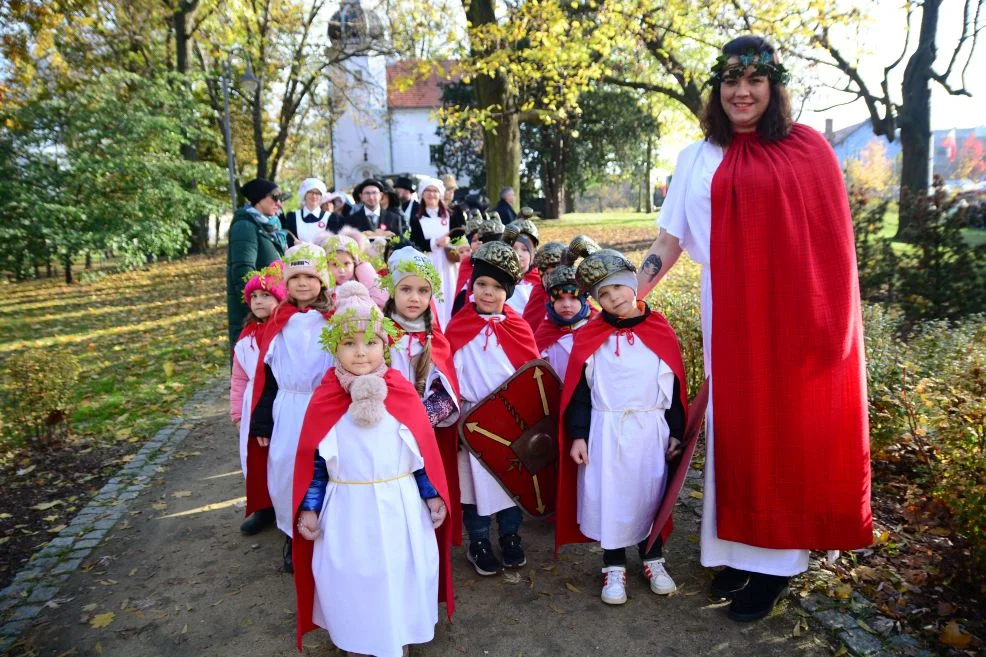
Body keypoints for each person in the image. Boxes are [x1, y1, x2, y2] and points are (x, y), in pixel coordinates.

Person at [635, 34, 872, 621]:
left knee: (783, 439)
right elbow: (670, 241)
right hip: (729, 316)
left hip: (791, 323)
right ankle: (740, 554)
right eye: (731, 81)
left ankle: (778, 570)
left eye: (755, 81)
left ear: (773, 87)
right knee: (735, 436)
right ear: (718, 89)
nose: (742, 92)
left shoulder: (808, 150)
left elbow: (830, 253)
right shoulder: (695, 158)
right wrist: (626, 294)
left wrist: (827, 333)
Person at [291, 281, 453, 657]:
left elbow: (420, 455)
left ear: (384, 345)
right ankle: (357, 638)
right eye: (349, 343)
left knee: (399, 571)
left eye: (370, 342)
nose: (361, 353)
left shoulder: (400, 391)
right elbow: (316, 465)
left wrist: (432, 496)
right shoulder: (326, 397)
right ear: (334, 347)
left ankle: (397, 633)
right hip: (348, 507)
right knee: (351, 577)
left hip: (400, 505)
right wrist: (310, 508)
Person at [554, 248, 687, 605]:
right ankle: (613, 565)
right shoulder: (590, 336)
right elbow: (579, 393)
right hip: (605, 431)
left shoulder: (660, 330)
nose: (613, 299)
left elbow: (674, 388)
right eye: (603, 295)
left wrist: (676, 432)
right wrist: (578, 436)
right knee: (611, 498)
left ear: (632, 284)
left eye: (617, 289)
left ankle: (653, 557)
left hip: (649, 430)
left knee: (649, 493)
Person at [444, 241, 540, 576]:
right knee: (473, 487)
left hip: (510, 422)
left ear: (509, 292)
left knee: (511, 484)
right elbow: (446, 376)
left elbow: (533, 377)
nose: (488, 292)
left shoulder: (518, 327)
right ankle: (479, 541)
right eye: (482, 284)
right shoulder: (458, 326)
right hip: (471, 421)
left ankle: (511, 536)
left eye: (498, 287)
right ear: (472, 285)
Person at [248, 242, 335, 574]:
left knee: (323, 469)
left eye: (310, 277)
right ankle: (291, 533)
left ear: (322, 281)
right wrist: (261, 422)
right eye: (295, 276)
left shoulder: (333, 317)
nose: (302, 283)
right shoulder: (278, 319)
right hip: (288, 406)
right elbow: (266, 376)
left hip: (325, 405)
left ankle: (325, 533)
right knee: (285, 468)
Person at [230, 262, 287, 536]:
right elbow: (239, 377)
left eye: (266, 295)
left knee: (281, 457)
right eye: (254, 296)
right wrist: (237, 413)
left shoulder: (283, 332)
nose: (258, 301)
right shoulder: (246, 336)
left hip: (278, 400)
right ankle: (264, 506)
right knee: (256, 458)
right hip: (252, 403)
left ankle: (285, 507)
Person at [226, 178, 286, 352]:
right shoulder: (245, 225)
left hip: (269, 306)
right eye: (274, 197)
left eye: (280, 197)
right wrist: (257, 306)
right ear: (258, 198)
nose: (279, 203)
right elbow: (243, 271)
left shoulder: (268, 225)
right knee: (251, 365)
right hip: (256, 311)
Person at [533, 246, 597, 383]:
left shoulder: (597, 326)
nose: (566, 304)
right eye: (559, 298)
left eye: (573, 298)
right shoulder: (545, 333)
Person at [408, 177, 467, 327]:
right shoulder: (417, 218)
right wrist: (435, 243)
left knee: (450, 291)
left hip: (448, 263)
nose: (431, 194)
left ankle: (450, 324)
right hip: (429, 261)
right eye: (428, 190)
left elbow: (459, 236)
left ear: (440, 194)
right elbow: (416, 242)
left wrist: (456, 246)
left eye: (434, 191)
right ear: (422, 194)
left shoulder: (450, 215)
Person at [318, 229, 388, 308]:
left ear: (354, 264)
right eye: (335, 264)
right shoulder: (322, 287)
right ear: (326, 265)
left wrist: (364, 269)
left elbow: (382, 299)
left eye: (346, 264)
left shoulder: (362, 283)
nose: (342, 270)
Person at [525, 241, 567, 332]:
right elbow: (529, 327)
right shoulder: (538, 292)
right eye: (548, 274)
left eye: (558, 274)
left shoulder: (574, 293)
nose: (553, 280)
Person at [502, 219, 541, 316]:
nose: (519, 254)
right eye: (514, 248)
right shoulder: (499, 280)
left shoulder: (540, 283)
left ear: (532, 255)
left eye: (525, 249)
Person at [283, 178, 330, 246]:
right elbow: (289, 242)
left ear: (321, 196)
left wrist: (306, 245)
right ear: (304, 194)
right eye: (310, 192)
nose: (314, 196)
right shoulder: (292, 217)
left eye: (317, 193)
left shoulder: (330, 218)